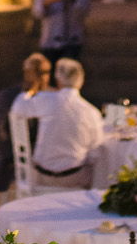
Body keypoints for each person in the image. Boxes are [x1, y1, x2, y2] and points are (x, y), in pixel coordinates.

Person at [26, 58, 104, 189]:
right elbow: (95, 152)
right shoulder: (91, 111)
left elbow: (18, 108)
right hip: (73, 177)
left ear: (58, 80)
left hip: (41, 175)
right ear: (81, 81)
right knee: (98, 169)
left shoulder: (43, 100)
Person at [0, 52, 52, 192]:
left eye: (47, 72)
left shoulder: (53, 96)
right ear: (27, 73)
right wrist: (12, 153)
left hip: (47, 157)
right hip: (16, 155)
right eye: (39, 72)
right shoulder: (9, 96)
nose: (44, 77)